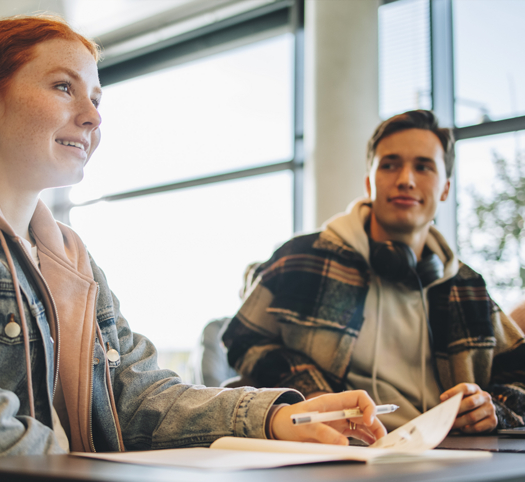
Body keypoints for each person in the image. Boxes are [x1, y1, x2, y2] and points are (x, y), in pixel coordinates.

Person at [0, 16, 384, 481]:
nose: (92, 115)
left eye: (96, 97)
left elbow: (134, 393)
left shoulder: (65, 256)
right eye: (65, 87)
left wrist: (277, 419)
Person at [223, 110, 525, 433]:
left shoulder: (467, 286)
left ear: (445, 189)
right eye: (390, 164)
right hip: (336, 451)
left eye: (423, 166)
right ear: (370, 182)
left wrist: (494, 408)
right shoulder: (300, 258)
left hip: (446, 454)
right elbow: (242, 339)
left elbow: (519, 377)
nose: (406, 179)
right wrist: (311, 390)